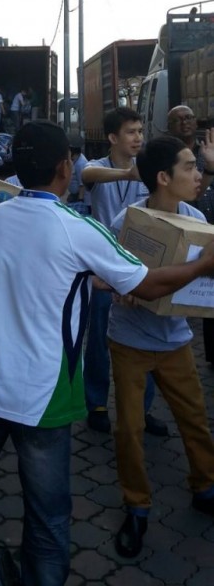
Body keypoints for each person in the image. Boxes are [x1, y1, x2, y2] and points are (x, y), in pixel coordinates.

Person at [0, 120, 214, 586]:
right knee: (47, 520)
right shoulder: (79, 229)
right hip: (40, 398)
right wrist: (207, 263)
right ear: (66, 167)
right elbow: (148, 284)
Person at [109, 135, 214, 558]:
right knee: (130, 430)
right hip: (130, 341)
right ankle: (136, 507)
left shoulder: (197, 220)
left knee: (194, 419)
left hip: (176, 341)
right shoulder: (126, 221)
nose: (198, 175)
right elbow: (103, 275)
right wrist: (120, 289)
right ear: (163, 177)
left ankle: (204, 485)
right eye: (190, 167)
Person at [82, 107, 166, 436]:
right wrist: (127, 175)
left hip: (140, 268)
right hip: (103, 269)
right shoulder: (98, 167)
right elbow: (88, 176)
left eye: (141, 132)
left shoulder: (150, 169)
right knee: (100, 337)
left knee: (143, 336)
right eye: (131, 132)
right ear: (113, 138)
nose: (139, 138)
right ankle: (97, 404)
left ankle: (142, 411)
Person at [167, 105, 214, 364]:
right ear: (169, 125)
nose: (185, 123)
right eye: (178, 120)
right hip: (186, 228)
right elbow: (191, 197)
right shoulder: (168, 155)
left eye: (189, 118)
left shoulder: (206, 148)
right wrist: (209, 169)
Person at [66, 131, 91, 216]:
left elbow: (82, 184)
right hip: (75, 196)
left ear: (72, 151)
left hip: (81, 198)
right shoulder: (75, 161)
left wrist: (80, 201)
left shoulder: (81, 163)